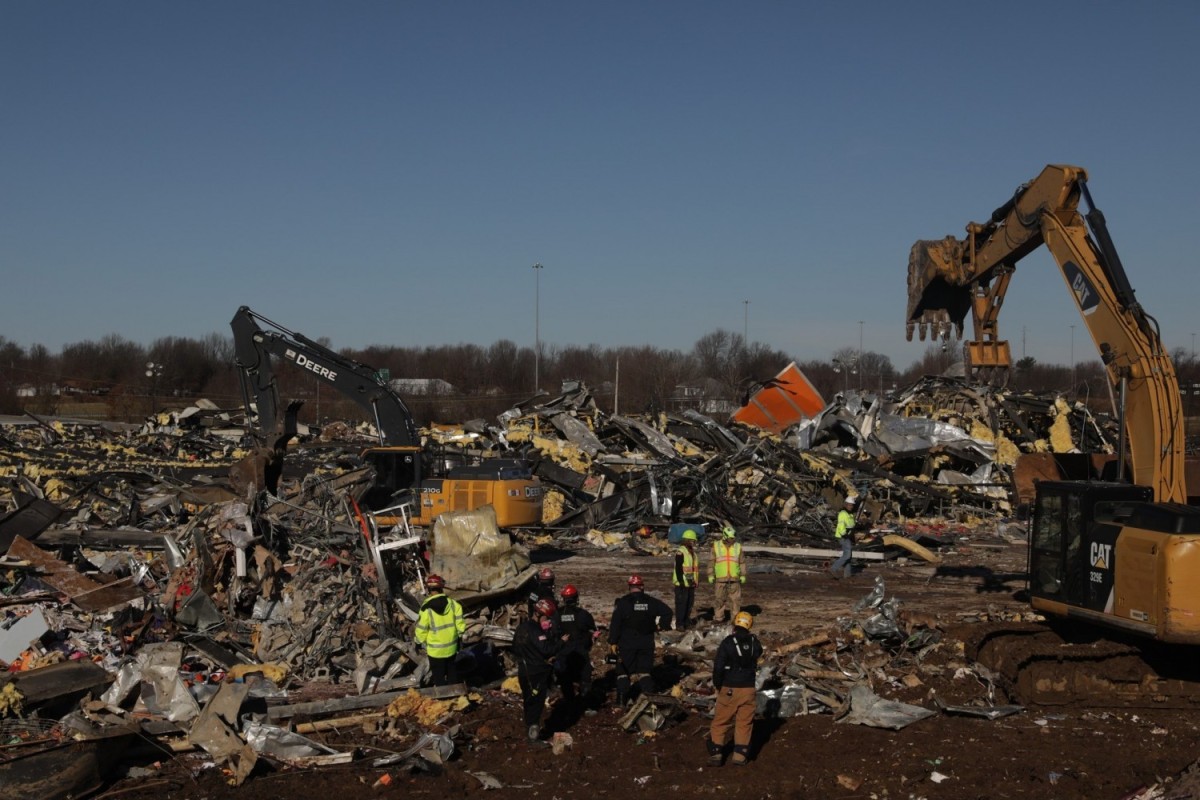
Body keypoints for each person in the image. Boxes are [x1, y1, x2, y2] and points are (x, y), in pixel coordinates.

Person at [707, 611, 764, 767]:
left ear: (735, 624)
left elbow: (718, 667)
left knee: (720, 721)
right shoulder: (755, 643)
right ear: (749, 625)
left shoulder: (728, 642)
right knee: (744, 723)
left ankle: (716, 753)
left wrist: (718, 685)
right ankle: (739, 756)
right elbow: (759, 653)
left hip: (730, 687)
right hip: (749, 689)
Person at [608, 574, 673, 707]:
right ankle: (649, 700)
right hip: (646, 642)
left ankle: (621, 701)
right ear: (642, 586)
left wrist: (613, 641)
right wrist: (661, 626)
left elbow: (615, 623)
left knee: (623, 672)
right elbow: (667, 612)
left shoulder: (623, 603)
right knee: (644, 671)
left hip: (626, 643)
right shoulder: (651, 602)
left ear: (630, 587)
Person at [512, 597, 562, 746]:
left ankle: (528, 729)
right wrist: (561, 643)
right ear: (540, 615)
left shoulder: (522, 628)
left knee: (528, 701)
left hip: (524, 671)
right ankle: (533, 736)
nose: (547, 620)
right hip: (536, 672)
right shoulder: (535, 630)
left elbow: (515, 648)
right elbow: (546, 649)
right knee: (536, 703)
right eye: (546, 617)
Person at [413, 574, 466, 686]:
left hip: (435, 652)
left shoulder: (426, 608)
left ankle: (443, 700)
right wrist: (460, 638)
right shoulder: (454, 605)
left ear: (429, 589)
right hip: (451, 648)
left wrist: (417, 642)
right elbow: (460, 626)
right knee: (452, 673)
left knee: (438, 677)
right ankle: (455, 696)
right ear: (442, 588)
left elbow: (422, 629)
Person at [554, 583, 597, 707]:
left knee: (566, 679)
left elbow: (554, 632)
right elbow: (593, 630)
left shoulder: (557, 614)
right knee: (585, 677)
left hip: (564, 652)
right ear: (576, 597)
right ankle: (586, 705)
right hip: (580, 651)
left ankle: (570, 704)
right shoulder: (583, 614)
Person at [709, 524, 746, 622]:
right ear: (725, 536)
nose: (732, 540)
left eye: (733, 538)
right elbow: (711, 562)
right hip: (721, 579)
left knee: (735, 601)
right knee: (719, 600)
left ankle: (735, 619)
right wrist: (710, 575)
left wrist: (743, 575)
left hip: (734, 579)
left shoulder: (738, 547)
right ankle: (718, 618)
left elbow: (742, 562)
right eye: (730, 538)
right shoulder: (716, 546)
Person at [672, 528, 701, 629]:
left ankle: (686, 622)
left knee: (689, 604)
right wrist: (681, 581)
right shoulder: (681, 552)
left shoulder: (693, 554)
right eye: (692, 540)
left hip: (689, 583)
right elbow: (679, 569)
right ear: (687, 540)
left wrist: (693, 581)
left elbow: (691, 570)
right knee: (681, 604)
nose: (694, 542)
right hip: (682, 584)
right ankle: (680, 624)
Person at [829, 495, 858, 579]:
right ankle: (833, 569)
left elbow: (851, 525)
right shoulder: (843, 514)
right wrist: (845, 535)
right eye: (849, 505)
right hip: (844, 537)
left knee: (849, 556)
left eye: (852, 505)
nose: (851, 506)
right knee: (847, 555)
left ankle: (847, 575)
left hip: (848, 536)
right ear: (845, 504)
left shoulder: (850, 515)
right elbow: (841, 526)